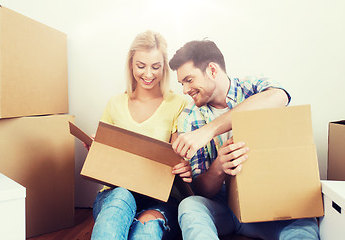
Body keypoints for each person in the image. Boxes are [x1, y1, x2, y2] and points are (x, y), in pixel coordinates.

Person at [169, 40, 320, 239]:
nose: (185, 90)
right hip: (223, 206)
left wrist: (209, 131)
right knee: (190, 206)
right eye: (182, 83)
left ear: (212, 70)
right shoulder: (189, 117)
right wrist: (219, 167)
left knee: (304, 218)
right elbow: (200, 190)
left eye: (189, 79)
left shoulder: (252, 87)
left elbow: (279, 97)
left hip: (270, 198)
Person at [89, 30, 192, 240]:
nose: (148, 74)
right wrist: (96, 151)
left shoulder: (178, 104)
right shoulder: (115, 104)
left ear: (164, 67)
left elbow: (177, 160)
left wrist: (184, 165)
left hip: (160, 200)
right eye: (141, 66)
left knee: (147, 231)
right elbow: (102, 163)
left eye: (155, 67)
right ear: (131, 65)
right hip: (116, 194)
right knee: (121, 197)